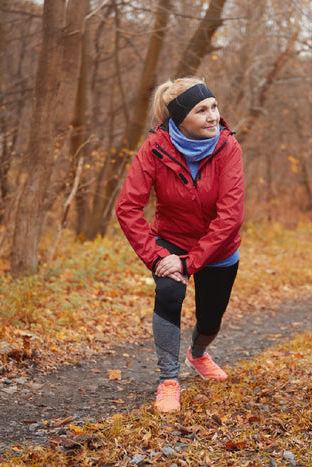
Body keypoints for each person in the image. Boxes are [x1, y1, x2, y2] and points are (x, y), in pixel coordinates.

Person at [115, 77, 244, 413]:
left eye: (214, 106)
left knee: (211, 319)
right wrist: (158, 258)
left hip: (219, 247)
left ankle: (197, 354)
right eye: (202, 110)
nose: (213, 115)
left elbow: (230, 216)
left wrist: (190, 263)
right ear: (179, 119)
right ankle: (168, 380)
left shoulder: (228, 148)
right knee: (169, 294)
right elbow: (127, 208)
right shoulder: (154, 149)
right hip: (171, 238)